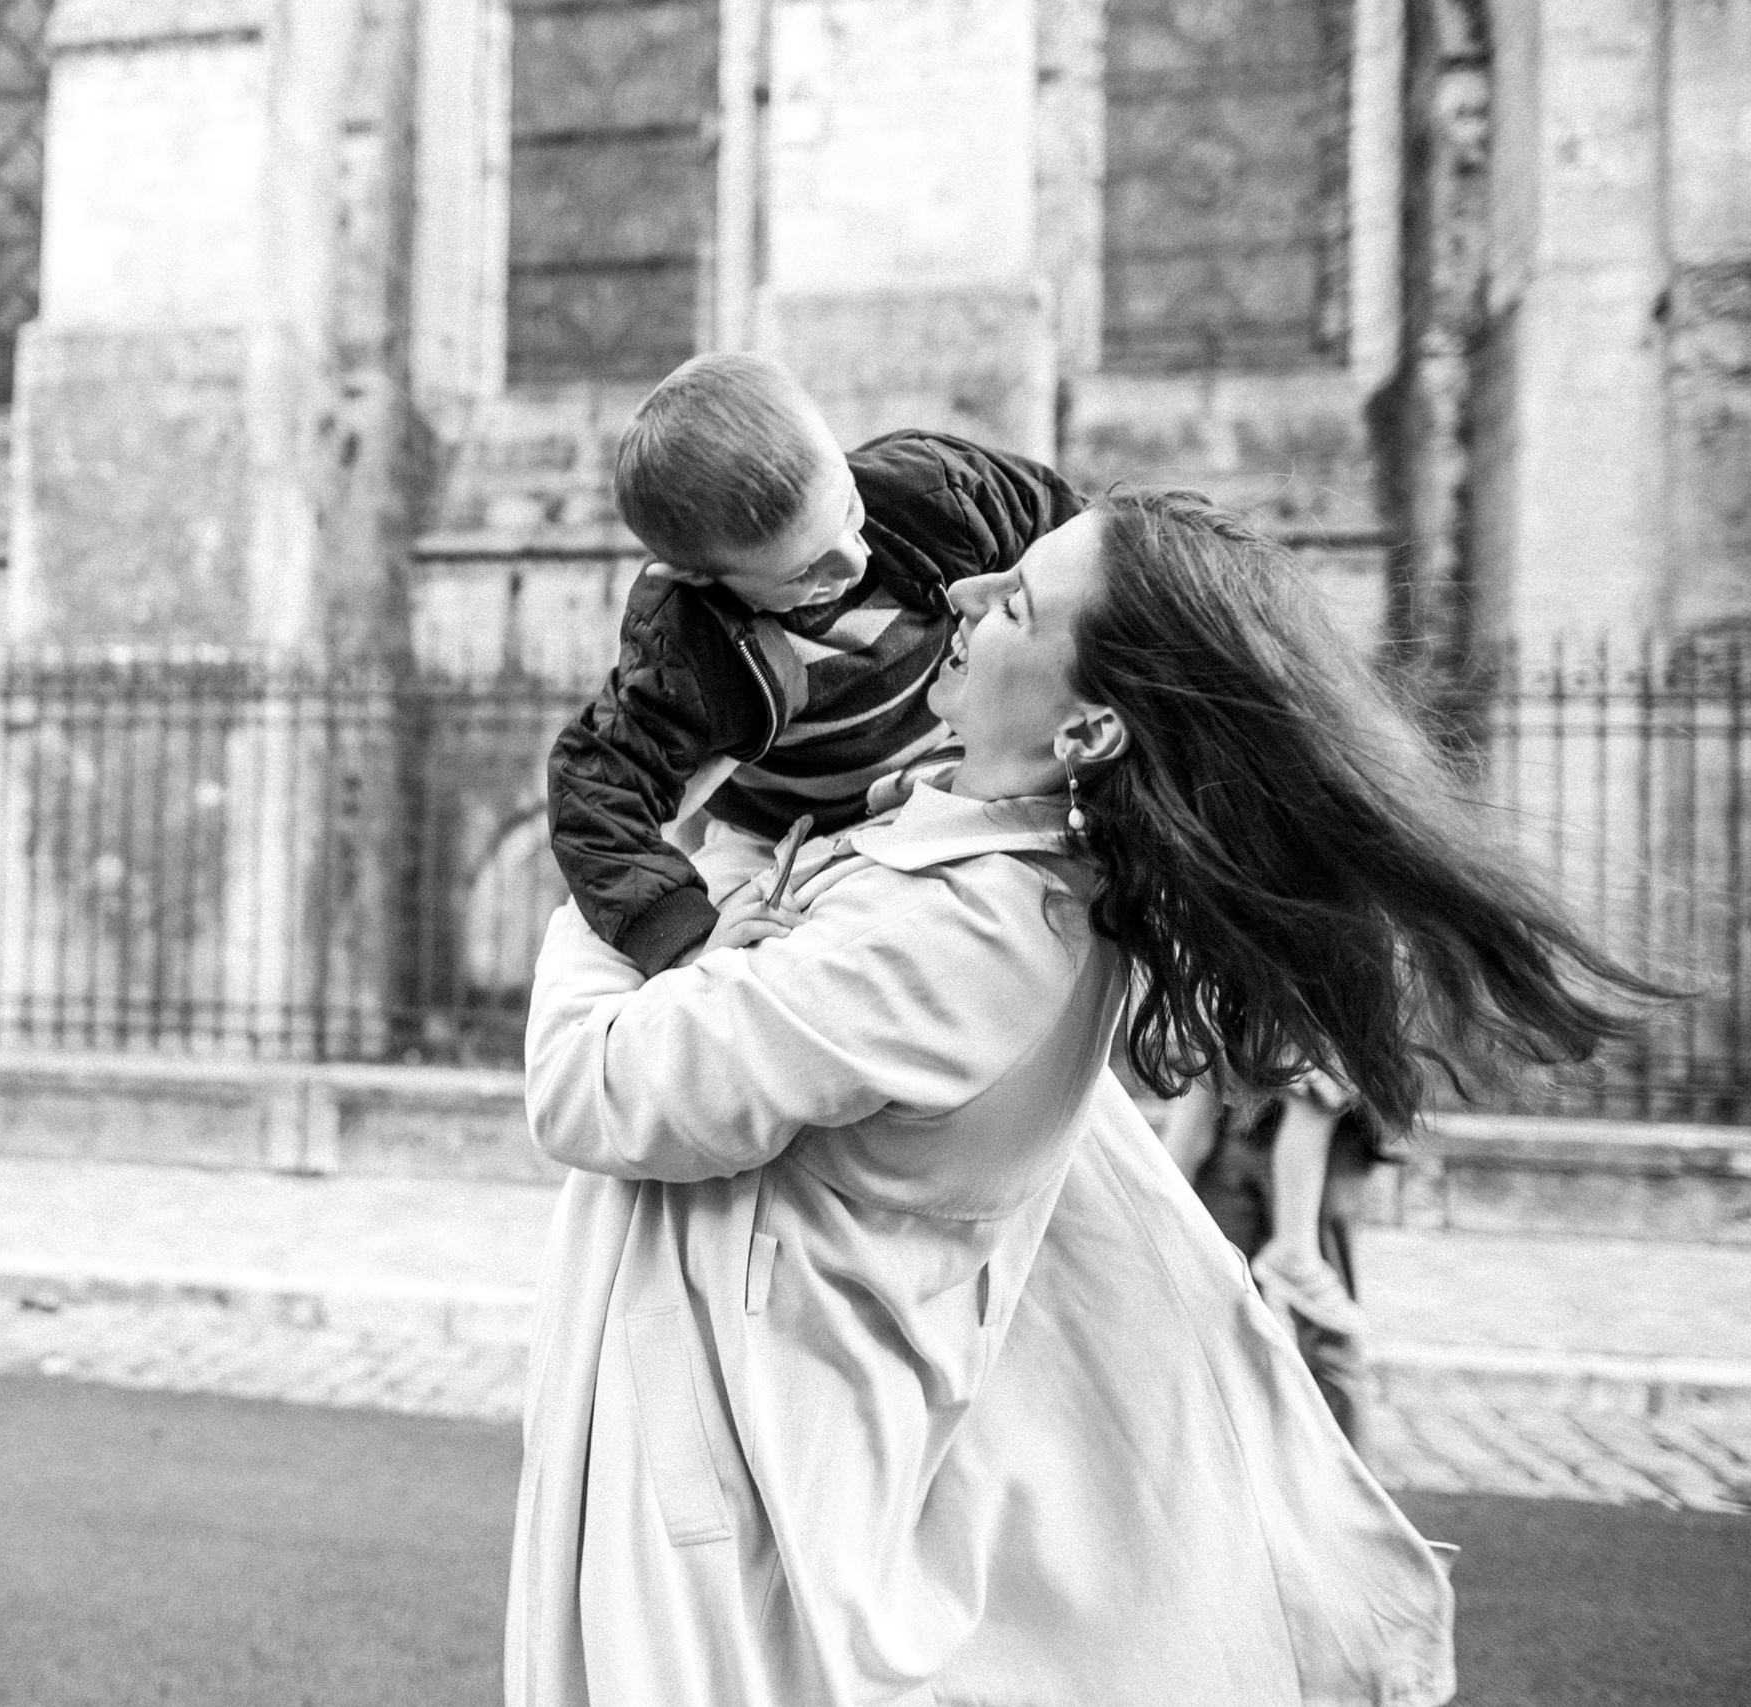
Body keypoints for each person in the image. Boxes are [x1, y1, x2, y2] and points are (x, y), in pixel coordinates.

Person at [511, 488, 1662, 1705]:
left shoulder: (967, 933)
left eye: (1013, 601)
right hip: (743, 1448)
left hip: (734, 1496)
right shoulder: (963, 875)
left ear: (1087, 735)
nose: (958, 593)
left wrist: (630, 849)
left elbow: (593, 1085)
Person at [547, 352, 1083, 974]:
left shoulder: (935, 492)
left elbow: (1077, 547)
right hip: (783, 836)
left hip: (955, 773)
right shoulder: (688, 645)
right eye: (804, 572)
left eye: (848, 511)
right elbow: (595, 792)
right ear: (699, 577)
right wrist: (685, 936)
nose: (852, 563)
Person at [1164, 1066, 1381, 1447]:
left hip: (1318, 1144)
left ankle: (1339, 1487)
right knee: (1215, 1329)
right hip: (1238, 1131)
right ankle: (1227, 1472)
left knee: (1324, 1330)